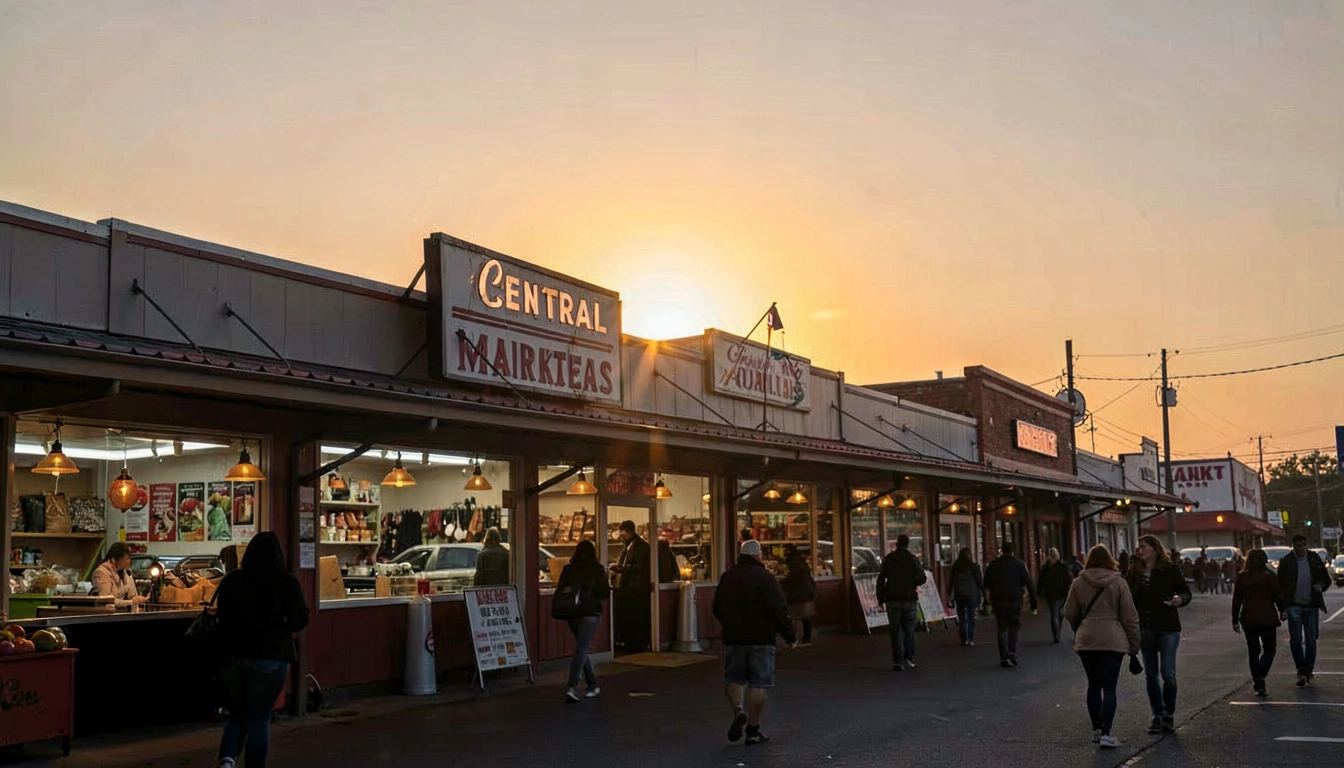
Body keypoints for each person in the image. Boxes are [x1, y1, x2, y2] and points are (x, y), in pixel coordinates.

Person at [214, 531, 309, 768]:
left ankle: (227, 760)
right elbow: (299, 620)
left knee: (238, 714)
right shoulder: (287, 582)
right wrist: (280, 625)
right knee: (259, 718)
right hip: (272, 658)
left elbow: (222, 619)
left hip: (235, 657)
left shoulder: (232, 581)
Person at [713, 540, 796, 747]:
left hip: (734, 638)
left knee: (734, 678)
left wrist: (728, 624)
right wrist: (790, 636)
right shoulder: (765, 578)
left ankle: (738, 709)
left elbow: (717, 607)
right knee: (759, 683)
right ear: (757, 555)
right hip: (761, 638)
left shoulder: (727, 577)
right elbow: (779, 609)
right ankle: (753, 729)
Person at [1064, 545, 1140, 749]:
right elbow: (1130, 616)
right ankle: (1107, 732)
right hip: (1112, 640)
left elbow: (1069, 612)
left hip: (1087, 639)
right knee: (1109, 687)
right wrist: (1134, 643)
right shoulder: (1119, 582)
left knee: (1093, 684)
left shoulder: (1078, 582)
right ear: (1110, 560)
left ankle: (1096, 729)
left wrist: (1080, 627)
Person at [1127, 534, 1191, 734]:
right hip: (1145, 627)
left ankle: (1168, 713)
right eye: (1138, 547)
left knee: (1168, 673)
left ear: (1155, 549)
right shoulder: (1134, 572)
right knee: (1151, 675)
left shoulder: (1169, 569)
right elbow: (1128, 599)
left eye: (1143, 547)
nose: (1139, 550)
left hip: (1168, 626)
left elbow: (1186, 591)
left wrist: (1180, 598)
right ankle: (1157, 714)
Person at [556, 539, 610, 702]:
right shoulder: (597, 569)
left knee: (582, 647)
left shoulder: (568, 570)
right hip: (591, 613)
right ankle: (573, 686)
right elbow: (604, 593)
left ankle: (591, 685)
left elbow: (561, 591)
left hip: (572, 613)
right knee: (582, 648)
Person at [1276, 533, 1331, 687]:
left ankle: (1308, 671)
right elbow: (1280, 584)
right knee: (1296, 639)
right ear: (1293, 546)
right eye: (1297, 545)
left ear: (1306, 545)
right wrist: (1282, 606)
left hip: (1311, 605)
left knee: (1311, 639)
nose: (1300, 548)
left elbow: (1326, 579)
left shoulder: (1314, 559)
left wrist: (1320, 586)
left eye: (1302, 545)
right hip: (1294, 605)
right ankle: (1301, 670)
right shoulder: (1287, 561)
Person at [1232, 548, 1287, 697]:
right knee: (1270, 648)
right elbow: (1278, 595)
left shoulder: (1242, 577)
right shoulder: (1269, 576)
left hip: (1248, 617)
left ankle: (1258, 678)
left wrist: (1235, 620)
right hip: (1267, 617)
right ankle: (1261, 674)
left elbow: (1237, 600)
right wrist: (1282, 609)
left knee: (1253, 650)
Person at [875, 534, 926, 671]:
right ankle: (908, 658)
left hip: (892, 600)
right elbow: (922, 578)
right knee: (909, 630)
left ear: (897, 544)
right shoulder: (913, 559)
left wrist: (880, 597)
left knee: (895, 630)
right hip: (909, 599)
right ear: (907, 544)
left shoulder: (889, 559)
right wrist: (913, 583)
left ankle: (897, 660)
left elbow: (880, 579)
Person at [984, 542, 1037, 668]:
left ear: (1002, 550)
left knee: (1002, 628)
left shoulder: (994, 564)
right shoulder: (1019, 564)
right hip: (1015, 600)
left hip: (998, 600)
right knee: (1014, 626)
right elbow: (1029, 583)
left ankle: (1003, 656)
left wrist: (987, 600)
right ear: (1013, 550)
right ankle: (1012, 651)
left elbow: (986, 583)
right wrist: (1033, 602)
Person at [611, 520, 651, 653]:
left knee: (634, 618)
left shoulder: (642, 547)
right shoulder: (630, 546)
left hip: (635, 590)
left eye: (621, 532)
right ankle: (629, 643)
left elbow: (640, 568)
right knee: (628, 618)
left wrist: (620, 568)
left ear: (628, 531)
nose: (620, 535)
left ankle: (634, 645)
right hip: (628, 589)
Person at [91, 542, 148, 610]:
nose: (129, 561)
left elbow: (132, 595)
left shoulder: (126, 572)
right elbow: (106, 600)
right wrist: (130, 602)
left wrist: (139, 599)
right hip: (108, 615)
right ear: (114, 559)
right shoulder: (101, 573)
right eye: (127, 558)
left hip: (124, 613)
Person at [950, 547, 984, 646]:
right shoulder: (973, 567)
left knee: (961, 617)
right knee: (970, 616)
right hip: (971, 595)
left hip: (959, 595)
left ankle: (963, 637)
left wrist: (949, 594)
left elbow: (951, 582)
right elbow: (979, 581)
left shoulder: (955, 567)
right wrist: (983, 591)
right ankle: (971, 638)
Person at [782, 550, 817, 646]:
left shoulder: (795, 566)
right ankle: (806, 637)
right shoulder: (802, 564)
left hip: (799, 595)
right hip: (807, 594)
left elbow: (792, 580)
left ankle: (794, 638)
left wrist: (783, 581)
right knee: (805, 617)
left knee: (794, 616)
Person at [1038, 548, 1073, 644]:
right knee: (1058, 614)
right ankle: (1057, 632)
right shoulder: (1063, 567)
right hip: (1061, 593)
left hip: (1052, 594)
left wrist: (1039, 593)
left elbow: (1040, 581)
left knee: (1055, 614)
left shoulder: (1046, 568)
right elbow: (1069, 579)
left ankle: (1056, 634)